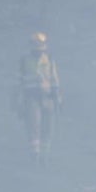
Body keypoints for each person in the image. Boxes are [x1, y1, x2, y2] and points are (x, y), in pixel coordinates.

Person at [18, 32, 62, 162]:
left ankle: (44, 155)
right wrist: (19, 100)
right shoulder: (24, 60)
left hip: (47, 96)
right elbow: (19, 81)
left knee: (48, 126)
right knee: (34, 125)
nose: (38, 49)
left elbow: (54, 79)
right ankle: (34, 154)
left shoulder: (49, 59)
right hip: (31, 97)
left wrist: (57, 96)